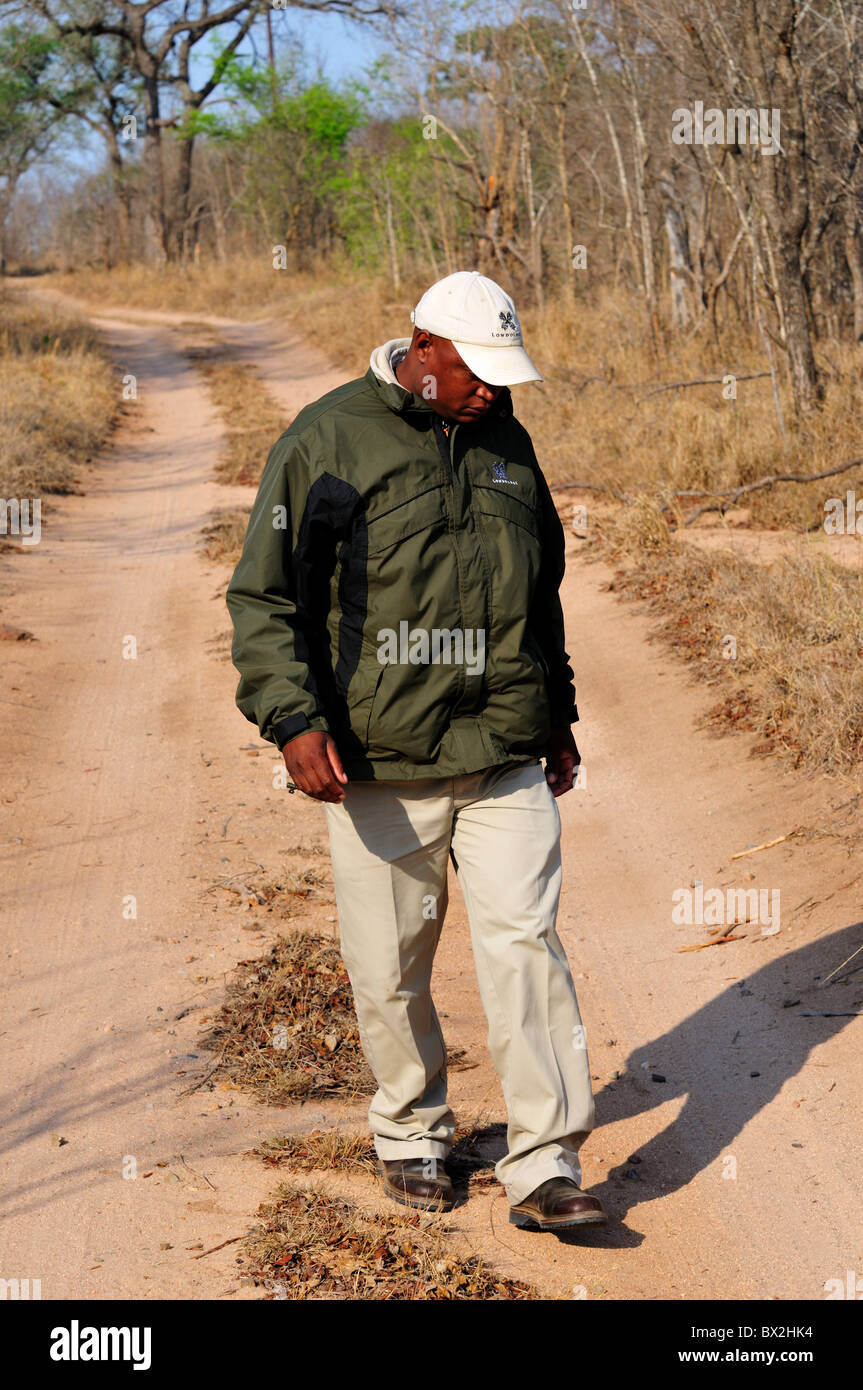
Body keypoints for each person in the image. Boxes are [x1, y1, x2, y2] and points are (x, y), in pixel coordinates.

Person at [226, 270, 607, 1231]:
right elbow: (265, 598)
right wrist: (293, 720)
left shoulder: (507, 440)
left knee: (526, 946)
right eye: (476, 371)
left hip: (503, 749)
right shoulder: (326, 439)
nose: (491, 390)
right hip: (381, 757)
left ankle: (544, 1162)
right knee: (390, 961)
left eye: (501, 373)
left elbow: (540, 591)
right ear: (423, 348)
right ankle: (409, 1131)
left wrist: (555, 713)